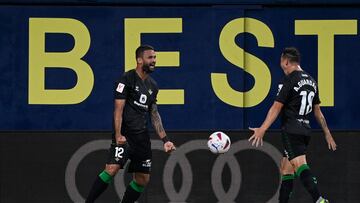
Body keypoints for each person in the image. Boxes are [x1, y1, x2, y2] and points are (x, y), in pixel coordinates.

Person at [85, 45, 176, 203]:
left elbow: (154, 114)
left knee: (142, 180)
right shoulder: (126, 79)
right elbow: (118, 110)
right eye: (150, 58)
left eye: (155, 57)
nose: (154, 61)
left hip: (142, 138)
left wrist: (165, 140)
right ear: (139, 60)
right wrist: (118, 134)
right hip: (125, 136)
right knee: (111, 169)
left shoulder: (153, 86)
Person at [248, 47, 337, 203]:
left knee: (300, 165)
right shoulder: (311, 80)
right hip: (305, 130)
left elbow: (276, 107)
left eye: (281, 61)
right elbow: (318, 112)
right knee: (286, 169)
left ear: (286, 61)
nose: (281, 65)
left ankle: (320, 200)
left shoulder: (288, 80)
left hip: (291, 129)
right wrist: (327, 134)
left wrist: (262, 129)